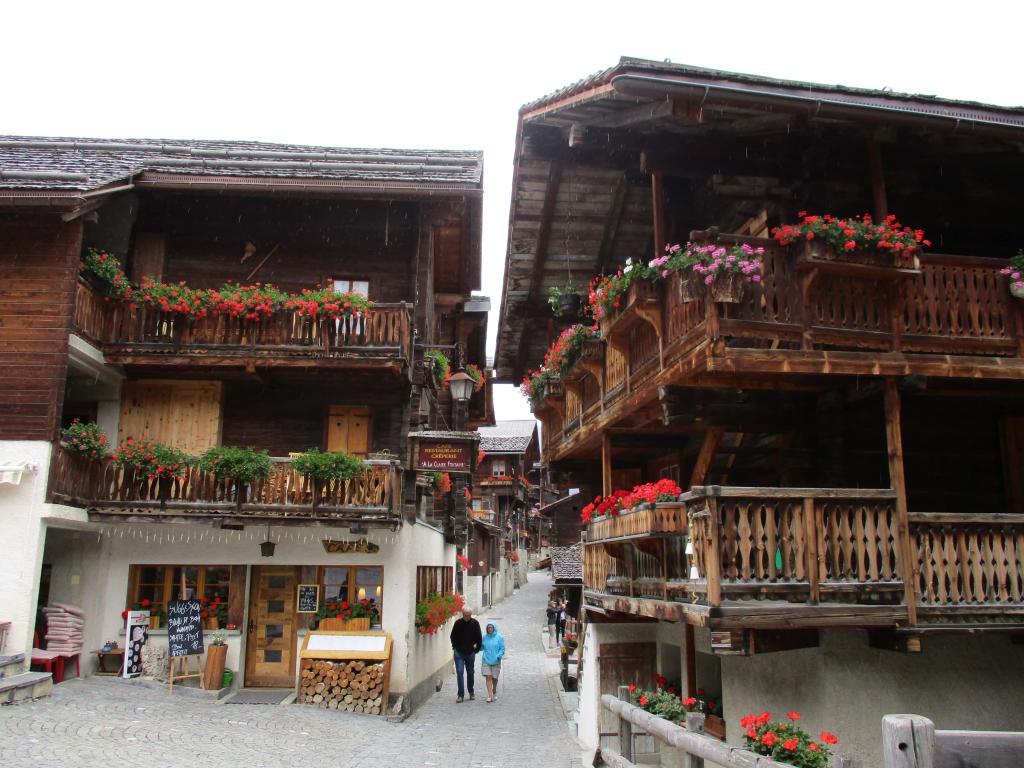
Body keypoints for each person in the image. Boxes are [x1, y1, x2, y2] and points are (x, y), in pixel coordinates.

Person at [449, 605, 482, 702]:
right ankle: (460, 695)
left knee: (470, 672)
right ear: (462, 614)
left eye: (468, 615)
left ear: (471, 614)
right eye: (465, 615)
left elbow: (479, 638)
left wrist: (476, 650)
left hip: (470, 652)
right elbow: (452, 636)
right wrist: (454, 647)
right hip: (459, 652)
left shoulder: (475, 623)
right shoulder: (458, 623)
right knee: (459, 672)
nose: (466, 617)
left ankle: (471, 691)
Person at [480, 622, 505, 703]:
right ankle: (490, 696)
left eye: (491, 627)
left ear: (494, 628)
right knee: (488, 676)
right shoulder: (485, 637)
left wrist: (499, 655)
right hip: (486, 660)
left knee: (494, 678)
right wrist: (476, 646)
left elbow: (502, 648)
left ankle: (494, 690)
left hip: (496, 660)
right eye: (488, 628)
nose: (490, 629)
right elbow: (482, 647)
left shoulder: (499, 637)